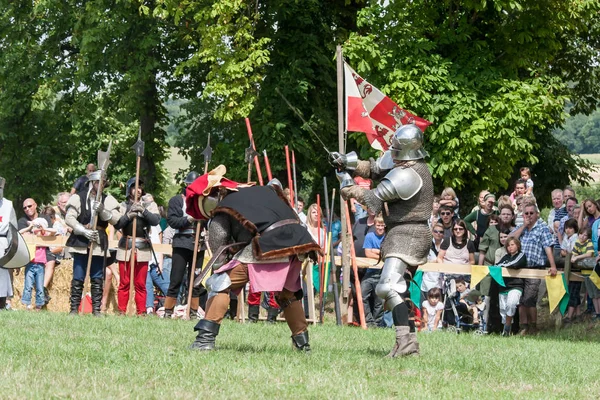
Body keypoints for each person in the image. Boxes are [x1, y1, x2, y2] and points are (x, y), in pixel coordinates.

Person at [188, 167, 321, 352]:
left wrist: (220, 269)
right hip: (298, 240)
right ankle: (302, 345)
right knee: (287, 293)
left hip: (269, 243)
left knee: (221, 283)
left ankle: (204, 340)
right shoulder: (260, 190)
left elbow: (219, 249)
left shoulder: (224, 207)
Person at [333, 123, 433, 357]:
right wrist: (345, 162)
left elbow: (374, 201)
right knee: (398, 289)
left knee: (387, 286)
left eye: (396, 144)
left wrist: (348, 185)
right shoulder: (400, 162)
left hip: (409, 234)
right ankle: (408, 344)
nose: (392, 147)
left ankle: (405, 342)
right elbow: (374, 168)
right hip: (398, 233)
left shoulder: (410, 173)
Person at [64, 170, 121, 316]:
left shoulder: (107, 199)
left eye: (102, 183)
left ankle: (96, 309)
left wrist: (103, 211)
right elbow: (69, 218)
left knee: (97, 276)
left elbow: (116, 219)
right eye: (97, 182)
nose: (100, 185)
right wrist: (83, 230)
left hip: (99, 239)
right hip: (81, 239)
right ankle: (74, 309)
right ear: (91, 183)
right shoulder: (79, 197)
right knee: (78, 276)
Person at [509, 200, 557, 336]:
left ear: (537, 214)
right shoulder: (520, 227)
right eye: (526, 213)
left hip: (535, 268)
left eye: (531, 213)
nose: (529, 216)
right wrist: (524, 226)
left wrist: (553, 266)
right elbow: (510, 240)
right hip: (519, 268)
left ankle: (533, 327)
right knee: (520, 299)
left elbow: (548, 248)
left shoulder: (542, 228)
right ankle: (523, 327)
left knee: (529, 299)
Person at [113, 179, 160, 315]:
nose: (138, 189)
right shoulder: (123, 205)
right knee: (124, 282)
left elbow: (156, 220)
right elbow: (117, 224)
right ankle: (122, 311)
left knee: (140, 283)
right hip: (126, 245)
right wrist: (129, 215)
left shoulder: (149, 205)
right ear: (129, 189)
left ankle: (141, 312)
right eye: (134, 187)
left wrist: (143, 210)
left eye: (140, 187)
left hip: (142, 245)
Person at [165, 171, 207, 319]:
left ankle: (194, 311)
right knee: (176, 278)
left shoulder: (203, 200)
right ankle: (168, 310)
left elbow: (209, 219)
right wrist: (188, 219)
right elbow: (172, 221)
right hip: (182, 243)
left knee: (196, 280)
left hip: (198, 243)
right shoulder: (177, 201)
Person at [18, 198, 54, 305]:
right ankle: (33, 298)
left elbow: (51, 234)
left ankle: (42, 289)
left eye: (29, 206)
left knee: (51, 261)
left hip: (44, 248)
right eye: (25, 208)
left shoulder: (45, 218)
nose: (27, 209)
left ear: (35, 205)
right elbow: (22, 236)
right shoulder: (22, 221)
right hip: (29, 251)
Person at [496, 237, 527, 336]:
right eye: (508, 245)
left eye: (512, 245)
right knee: (503, 310)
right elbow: (497, 265)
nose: (510, 247)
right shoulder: (505, 257)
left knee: (511, 304)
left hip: (516, 286)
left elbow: (515, 264)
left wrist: (504, 265)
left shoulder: (521, 255)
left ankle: (508, 326)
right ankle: (506, 331)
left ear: (517, 245)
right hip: (504, 286)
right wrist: (503, 265)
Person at [564, 226, 595, 324]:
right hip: (579, 271)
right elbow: (573, 253)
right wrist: (574, 257)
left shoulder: (588, 243)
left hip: (590, 272)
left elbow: (589, 254)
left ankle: (591, 313)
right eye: (581, 234)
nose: (582, 236)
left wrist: (577, 258)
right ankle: (577, 315)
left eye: (585, 235)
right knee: (575, 292)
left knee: (592, 293)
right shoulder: (577, 242)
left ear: (588, 237)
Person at [361, 215, 385, 328]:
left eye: (382, 225)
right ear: (374, 225)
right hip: (370, 271)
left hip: (383, 272)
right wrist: (380, 253)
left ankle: (377, 322)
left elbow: (387, 255)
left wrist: (375, 252)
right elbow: (367, 253)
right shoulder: (370, 236)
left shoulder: (387, 237)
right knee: (362, 295)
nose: (380, 228)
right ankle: (369, 321)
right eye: (378, 225)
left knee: (379, 300)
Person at [0, 176, 18, 309]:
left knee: (1, 275)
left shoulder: (7, 205)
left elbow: (13, 229)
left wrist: (13, 251)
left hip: (1, 243)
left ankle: (1, 303)